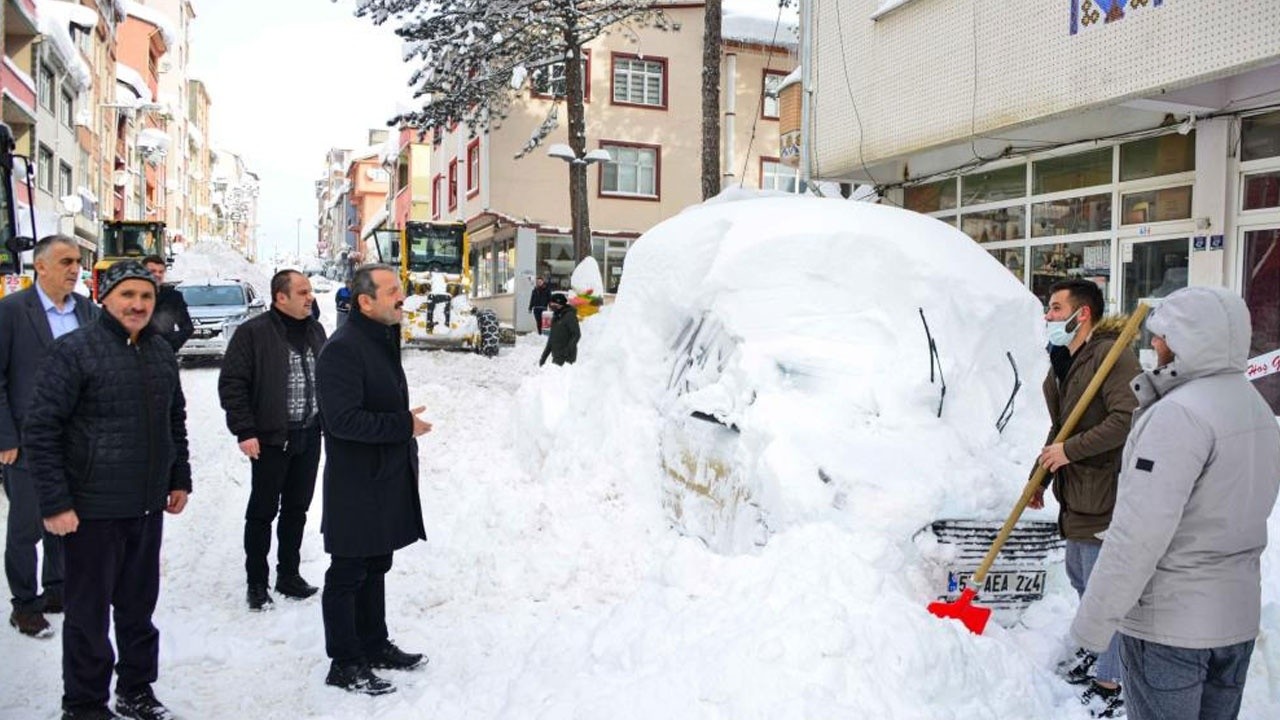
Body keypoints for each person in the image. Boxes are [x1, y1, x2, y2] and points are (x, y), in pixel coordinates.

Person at [1071, 286, 1280, 720]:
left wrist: (1093, 624)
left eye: (1162, 335)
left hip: (1170, 628)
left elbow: (1138, 534)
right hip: (1235, 623)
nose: (1153, 343)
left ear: (1188, 338)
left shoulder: (1178, 414)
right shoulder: (1256, 409)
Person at [24, 260, 191, 720]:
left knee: (139, 610)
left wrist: (179, 478)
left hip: (145, 507)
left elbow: (173, 420)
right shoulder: (74, 351)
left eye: (146, 297)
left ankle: (136, 691)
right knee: (88, 617)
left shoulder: (159, 352)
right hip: (91, 510)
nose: (137, 305)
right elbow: (42, 430)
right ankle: (84, 705)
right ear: (106, 299)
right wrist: (56, 502)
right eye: (127, 296)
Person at [1028, 279, 1142, 717]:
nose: (1048, 317)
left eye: (1055, 308)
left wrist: (1069, 452)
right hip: (1076, 492)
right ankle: (1102, 654)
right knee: (1080, 578)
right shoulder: (1066, 358)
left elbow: (1127, 418)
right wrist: (1038, 480)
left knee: (1103, 590)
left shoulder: (1113, 357)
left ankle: (1113, 679)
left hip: (1104, 491)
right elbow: (1061, 429)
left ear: (1083, 314)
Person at [316, 264, 430, 695]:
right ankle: (344, 662)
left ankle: (373, 643)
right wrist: (402, 426)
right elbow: (342, 421)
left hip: (382, 477)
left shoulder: (380, 339)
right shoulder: (343, 348)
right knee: (347, 571)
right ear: (365, 302)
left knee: (376, 563)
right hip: (355, 483)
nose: (402, 296)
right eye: (393, 291)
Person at [0, 235, 97, 639]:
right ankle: (24, 603)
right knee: (26, 525)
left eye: (77, 261)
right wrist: (6, 436)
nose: (74, 268)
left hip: (76, 440)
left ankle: (57, 589)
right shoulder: (11, 312)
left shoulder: (88, 311)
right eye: (65, 262)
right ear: (40, 267)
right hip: (27, 440)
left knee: (67, 516)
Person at [218, 270, 327, 611]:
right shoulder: (254, 333)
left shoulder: (315, 330)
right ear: (281, 297)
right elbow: (232, 384)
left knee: (297, 509)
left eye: (309, 291)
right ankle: (256, 581)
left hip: (309, 435)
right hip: (270, 439)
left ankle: (288, 574)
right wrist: (245, 431)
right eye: (303, 292)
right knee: (263, 512)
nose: (310, 297)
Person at [142, 255, 193, 354]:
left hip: (164, 356)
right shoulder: (131, 296)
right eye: (152, 271)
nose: (157, 275)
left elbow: (187, 327)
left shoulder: (173, 297)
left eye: (161, 272)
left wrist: (171, 345)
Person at [538, 292, 580, 367]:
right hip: (557, 357)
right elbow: (551, 339)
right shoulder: (556, 317)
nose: (551, 306)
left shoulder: (569, 316)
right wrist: (543, 358)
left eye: (552, 304)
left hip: (567, 359)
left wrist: (567, 351)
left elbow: (576, 334)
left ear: (559, 303)